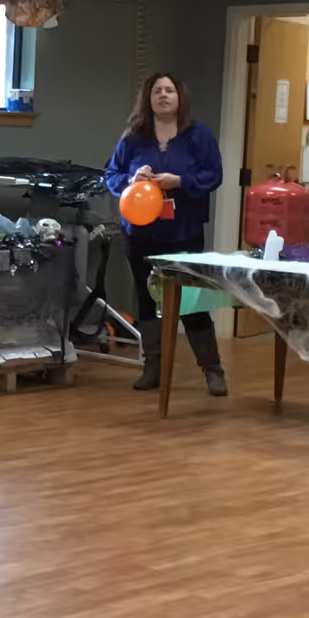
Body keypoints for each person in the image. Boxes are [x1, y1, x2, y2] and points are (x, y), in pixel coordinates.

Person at [103, 72, 227, 396]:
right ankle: (153, 368)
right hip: (141, 233)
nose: (163, 95)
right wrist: (132, 178)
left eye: (169, 90)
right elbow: (111, 175)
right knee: (147, 299)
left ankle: (212, 370)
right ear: (148, 99)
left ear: (179, 97)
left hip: (183, 231)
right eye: (156, 91)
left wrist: (180, 181)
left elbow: (214, 174)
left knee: (191, 300)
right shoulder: (134, 136)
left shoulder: (198, 135)